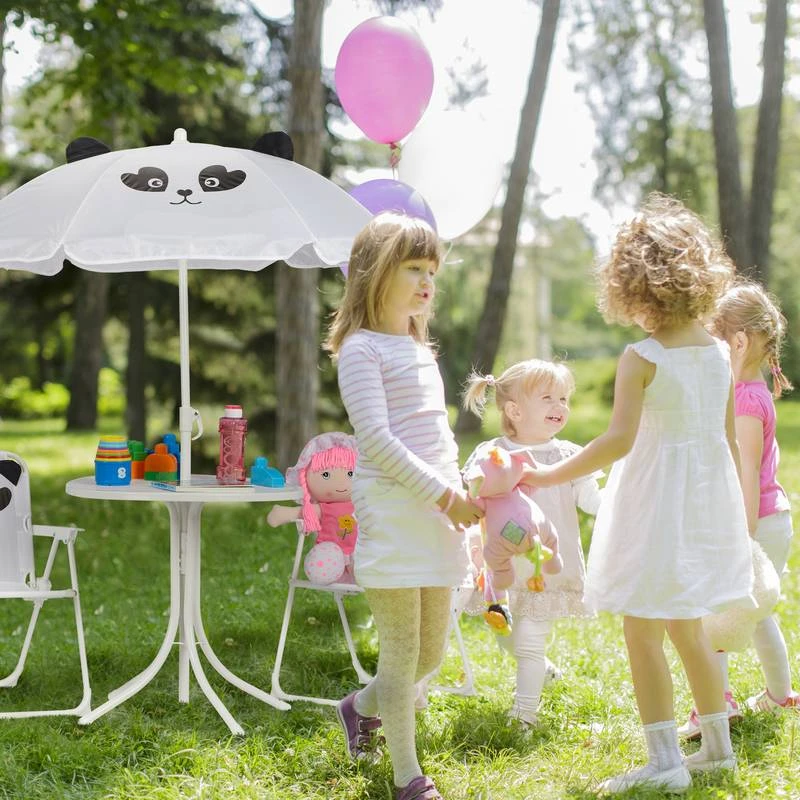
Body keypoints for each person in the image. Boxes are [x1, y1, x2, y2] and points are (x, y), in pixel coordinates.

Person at [524, 194, 755, 794]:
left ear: (632, 287)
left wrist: (550, 474)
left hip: (655, 502)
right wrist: (733, 514)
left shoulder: (641, 357)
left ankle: (664, 763)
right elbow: (726, 439)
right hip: (703, 500)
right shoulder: (719, 352)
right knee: (689, 628)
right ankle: (717, 751)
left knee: (642, 630)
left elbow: (618, 441)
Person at [324, 212, 483, 800]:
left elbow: (434, 436)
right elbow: (378, 440)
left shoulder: (418, 348)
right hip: (395, 509)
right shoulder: (362, 350)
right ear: (374, 273)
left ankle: (359, 706)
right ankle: (408, 777)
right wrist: (444, 496)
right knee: (399, 652)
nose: (426, 282)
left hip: (438, 510)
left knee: (430, 653)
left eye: (431, 271)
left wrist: (463, 488)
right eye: (413, 268)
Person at [678, 281, 796, 736]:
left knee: (714, 611)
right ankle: (780, 694)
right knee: (755, 611)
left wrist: (738, 537)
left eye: (713, 336)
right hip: (772, 521)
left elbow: (747, 475)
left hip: (753, 523)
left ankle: (718, 703)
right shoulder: (751, 391)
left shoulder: (744, 400)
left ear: (738, 342)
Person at [461, 359, 603, 729]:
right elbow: (472, 499)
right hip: (502, 569)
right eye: (548, 398)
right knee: (507, 636)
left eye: (564, 399)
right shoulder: (492, 455)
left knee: (529, 640)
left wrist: (619, 507)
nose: (560, 407)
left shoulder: (568, 456)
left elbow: (590, 500)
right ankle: (545, 672)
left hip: (546, 569)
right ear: (514, 410)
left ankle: (524, 715)